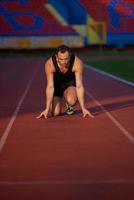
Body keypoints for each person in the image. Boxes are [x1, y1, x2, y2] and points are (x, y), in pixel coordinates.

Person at [37, 44, 94, 119]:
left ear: (70, 56)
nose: (64, 62)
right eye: (61, 59)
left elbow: (79, 86)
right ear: (56, 57)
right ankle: (54, 104)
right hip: (56, 85)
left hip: (69, 83)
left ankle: (68, 104)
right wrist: (47, 109)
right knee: (55, 113)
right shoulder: (49, 64)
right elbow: (50, 86)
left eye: (66, 59)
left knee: (72, 101)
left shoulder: (77, 62)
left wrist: (83, 108)